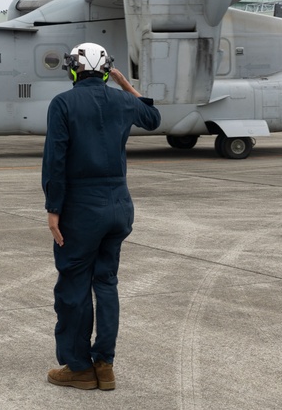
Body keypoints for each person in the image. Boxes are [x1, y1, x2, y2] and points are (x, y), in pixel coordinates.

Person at [41, 42, 161, 391]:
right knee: (106, 284)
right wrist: (125, 84)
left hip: (81, 209)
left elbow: (56, 161)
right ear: (107, 70)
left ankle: (79, 368)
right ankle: (105, 364)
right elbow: (153, 119)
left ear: (73, 69)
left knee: (74, 287)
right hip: (118, 207)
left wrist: (53, 209)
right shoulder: (124, 101)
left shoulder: (63, 103)